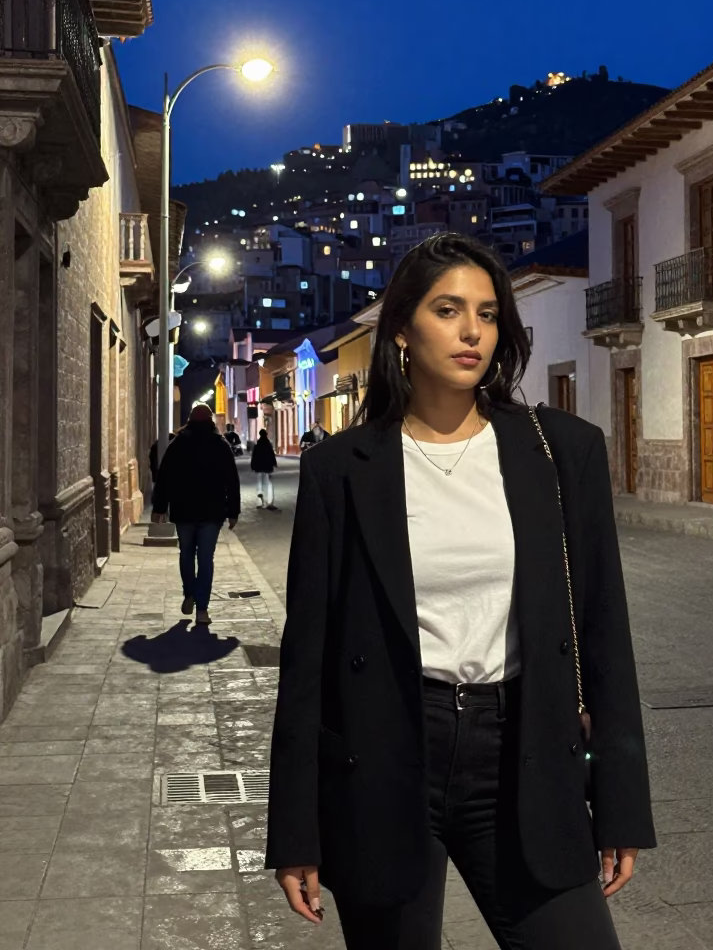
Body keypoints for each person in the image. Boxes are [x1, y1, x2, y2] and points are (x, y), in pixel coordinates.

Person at [266, 233, 655, 949]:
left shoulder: (561, 451)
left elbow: (604, 634)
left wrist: (622, 802)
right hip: (385, 757)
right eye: (447, 310)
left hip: (521, 749)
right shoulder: (341, 470)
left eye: (488, 313)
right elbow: (307, 662)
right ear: (402, 330)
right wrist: (295, 831)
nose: (472, 330)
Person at [151, 403, 241, 626]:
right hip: (212, 512)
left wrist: (159, 507)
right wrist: (233, 511)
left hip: (184, 510)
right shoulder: (220, 445)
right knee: (206, 559)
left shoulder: (178, 444)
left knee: (186, 553)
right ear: (210, 421)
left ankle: (189, 592)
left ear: (190, 420)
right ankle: (202, 609)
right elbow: (232, 480)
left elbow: (164, 476)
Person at [251, 428, 278, 510]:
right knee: (268, 483)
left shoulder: (257, 446)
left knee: (259, 482)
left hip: (259, 467)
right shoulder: (268, 445)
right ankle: (269, 502)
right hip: (267, 467)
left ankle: (260, 500)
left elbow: (254, 457)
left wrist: (253, 466)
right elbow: (272, 455)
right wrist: (274, 463)